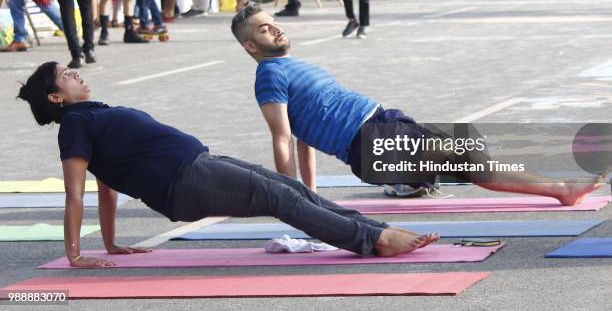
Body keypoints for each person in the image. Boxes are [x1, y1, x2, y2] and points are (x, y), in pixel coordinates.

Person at [17, 62, 440, 267]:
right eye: (68, 75)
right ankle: (373, 242)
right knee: (279, 197)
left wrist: (110, 244)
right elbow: (77, 194)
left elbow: (105, 185)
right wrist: (74, 255)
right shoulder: (74, 126)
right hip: (184, 184)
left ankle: (375, 230)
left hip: (198, 164)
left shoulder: (91, 114)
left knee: (290, 188)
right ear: (56, 97)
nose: (77, 74)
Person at [231, 4, 604, 202]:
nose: (277, 28)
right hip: (372, 141)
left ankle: (411, 181)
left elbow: (303, 136)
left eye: (274, 21)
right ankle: (561, 190)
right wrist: (294, 199)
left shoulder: (289, 65)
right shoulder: (269, 75)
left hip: (384, 124)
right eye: (265, 28)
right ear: (250, 46)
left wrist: (310, 194)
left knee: (467, 143)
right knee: (469, 158)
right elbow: (282, 138)